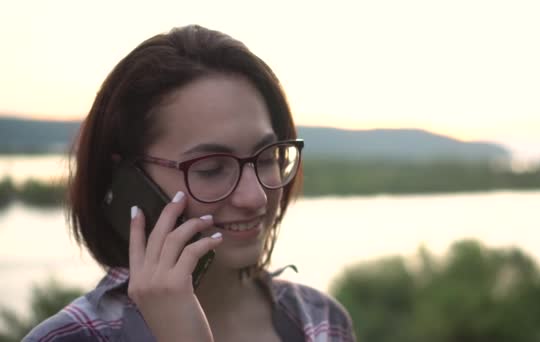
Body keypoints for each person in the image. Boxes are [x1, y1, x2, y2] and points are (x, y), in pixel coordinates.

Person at [24, 25, 355, 341]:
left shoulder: (322, 321)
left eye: (267, 158)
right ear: (128, 179)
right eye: (211, 169)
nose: (255, 197)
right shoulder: (72, 337)